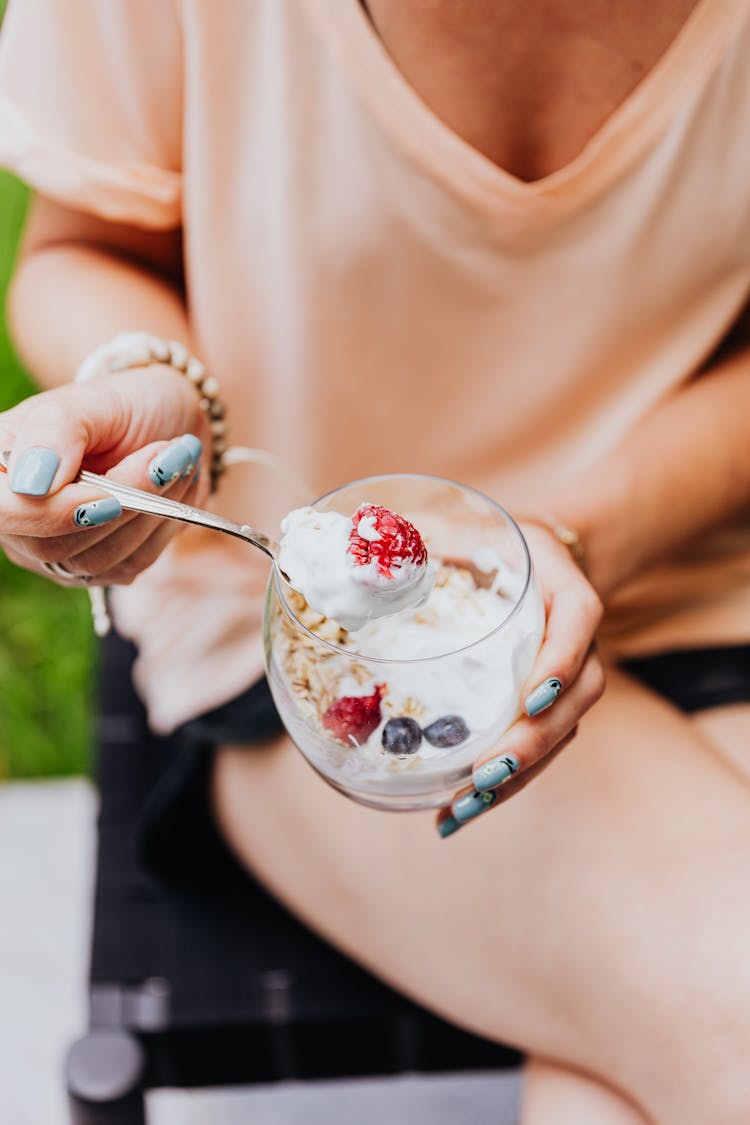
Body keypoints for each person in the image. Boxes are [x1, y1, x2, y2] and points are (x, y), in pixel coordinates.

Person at [1, 0, 750, 1119]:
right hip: (313, 645)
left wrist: (577, 531)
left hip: (707, 570)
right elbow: (84, 249)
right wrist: (156, 389)